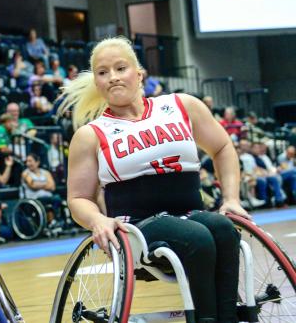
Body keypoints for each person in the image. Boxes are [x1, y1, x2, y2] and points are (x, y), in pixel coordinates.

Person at [59, 36, 249, 323]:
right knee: (197, 238)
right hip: (136, 228)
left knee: (223, 228)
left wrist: (232, 198)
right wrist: (97, 220)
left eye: (120, 68)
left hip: (189, 214)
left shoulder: (182, 106)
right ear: (96, 82)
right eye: (102, 72)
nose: (112, 77)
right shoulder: (91, 134)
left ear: (139, 74)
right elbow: (78, 198)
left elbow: (223, 147)